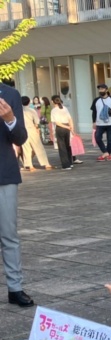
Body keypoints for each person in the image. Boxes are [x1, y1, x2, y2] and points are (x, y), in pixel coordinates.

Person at [0, 80, 34, 308]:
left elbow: (20, 138)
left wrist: (10, 118)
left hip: (4, 173)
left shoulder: (10, 95)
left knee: (9, 234)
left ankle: (15, 288)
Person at [20, 96, 52, 171]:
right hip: (32, 129)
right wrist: (38, 130)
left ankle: (29, 165)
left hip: (22, 131)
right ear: (28, 102)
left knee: (26, 149)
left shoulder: (18, 111)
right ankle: (46, 164)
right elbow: (37, 122)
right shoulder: (32, 110)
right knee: (39, 147)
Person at [91, 83, 111, 161]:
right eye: (99, 89)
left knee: (110, 140)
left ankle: (108, 154)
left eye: (102, 89)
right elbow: (94, 112)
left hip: (110, 123)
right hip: (99, 123)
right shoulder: (96, 100)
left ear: (106, 90)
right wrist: (94, 122)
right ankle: (105, 152)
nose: (101, 90)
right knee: (97, 137)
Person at [50, 95, 74, 170]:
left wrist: (67, 127)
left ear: (53, 102)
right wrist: (71, 128)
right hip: (67, 127)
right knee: (68, 145)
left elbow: (57, 123)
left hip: (60, 128)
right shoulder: (64, 108)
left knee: (62, 147)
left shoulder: (54, 110)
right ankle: (70, 162)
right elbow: (70, 119)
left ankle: (66, 165)